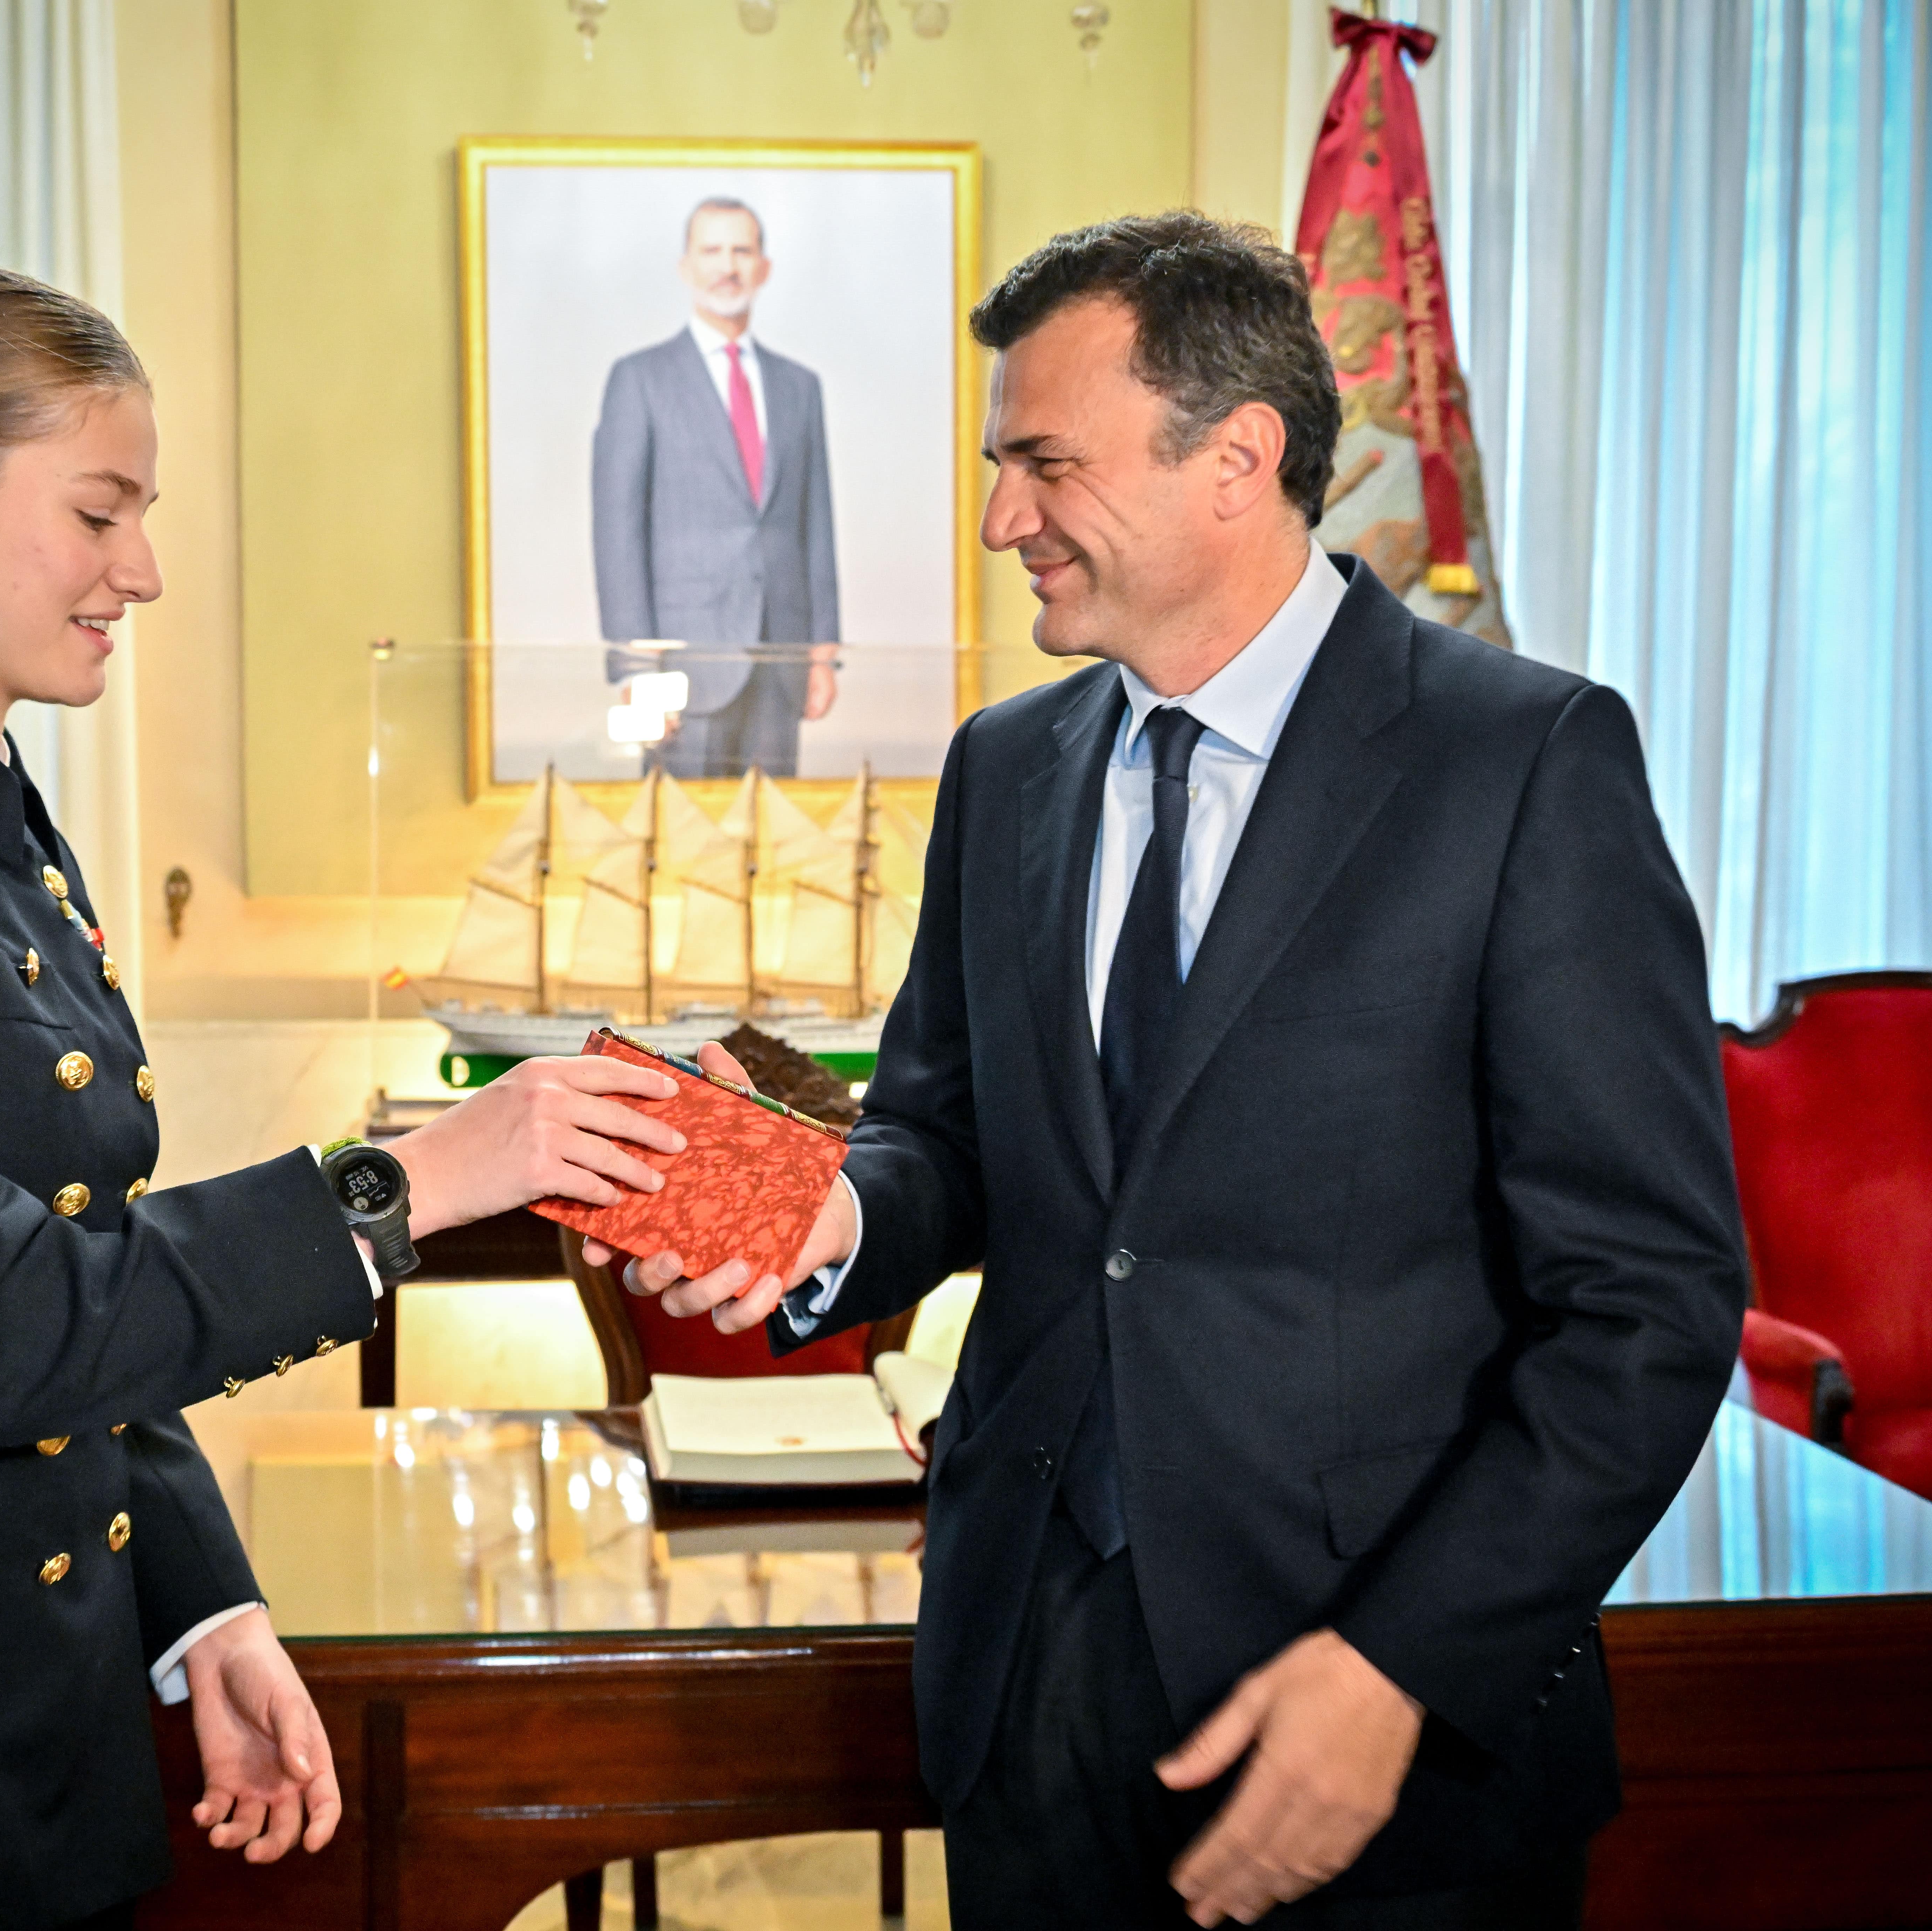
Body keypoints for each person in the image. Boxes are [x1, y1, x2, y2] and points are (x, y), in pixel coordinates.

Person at [601, 213, 1748, 1926]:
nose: (1001, 517)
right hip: (1026, 1681)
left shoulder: (1522, 763)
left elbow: (1647, 1306)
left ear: (1235, 460)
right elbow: (950, 1136)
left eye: (1041, 463)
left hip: (1369, 1720)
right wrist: (813, 1216)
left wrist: (1394, 1671)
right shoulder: (1006, 770)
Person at [0, 262, 692, 1931]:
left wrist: (201, 1609)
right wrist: (402, 1180)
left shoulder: (0, 829)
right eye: (100, 512)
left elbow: (82, 1257)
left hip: (43, 1713)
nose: (143, 570)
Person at [591, 195, 840, 779]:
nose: (727, 266)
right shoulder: (639, 380)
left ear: (764, 267)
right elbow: (617, 532)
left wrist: (824, 656)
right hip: (682, 674)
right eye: (712, 251)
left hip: (781, 664)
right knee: (684, 847)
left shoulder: (799, 387)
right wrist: (634, 670)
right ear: (686, 267)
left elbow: (816, 526)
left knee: (775, 844)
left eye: (742, 250)